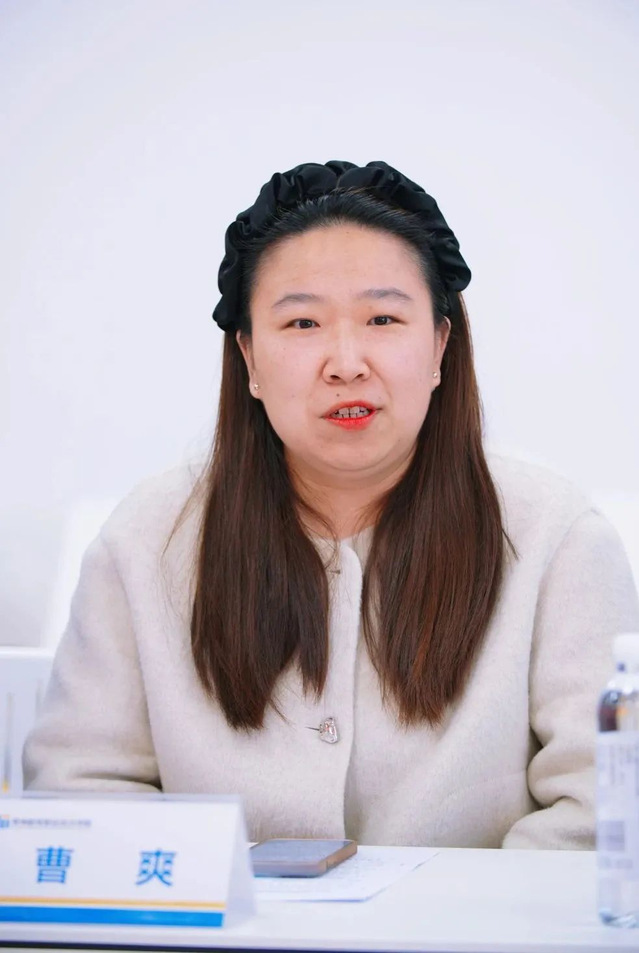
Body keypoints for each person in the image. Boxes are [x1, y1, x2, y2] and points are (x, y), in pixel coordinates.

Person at [23, 160, 639, 849]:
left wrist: (454, 906)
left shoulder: (556, 537)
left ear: (440, 344)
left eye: (383, 317)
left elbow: (604, 811)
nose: (346, 362)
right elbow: (80, 795)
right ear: (248, 357)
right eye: (303, 322)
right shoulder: (146, 539)